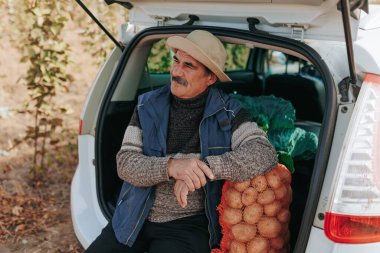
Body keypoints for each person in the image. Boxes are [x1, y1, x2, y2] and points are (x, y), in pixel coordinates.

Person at [85, 30, 278, 253]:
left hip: (187, 225)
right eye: (176, 60)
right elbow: (126, 163)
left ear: (211, 78)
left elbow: (264, 153)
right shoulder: (146, 105)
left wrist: (204, 169)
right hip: (133, 214)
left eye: (189, 66)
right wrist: (172, 167)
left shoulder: (230, 112)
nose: (176, 71)